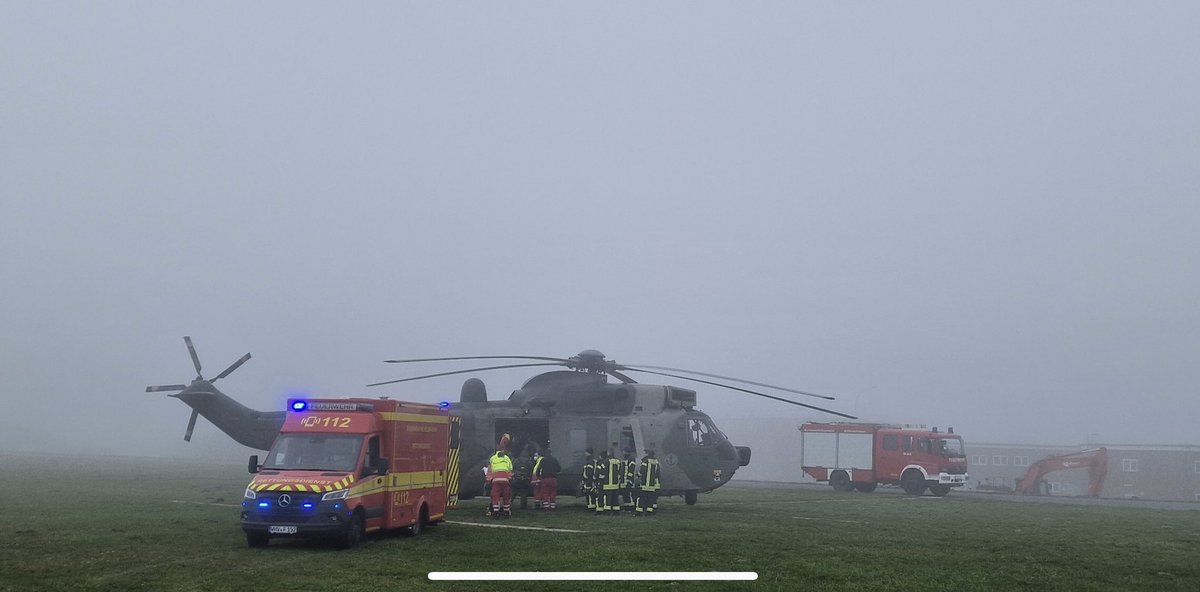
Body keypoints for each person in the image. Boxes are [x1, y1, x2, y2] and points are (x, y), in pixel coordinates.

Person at [487, 447, 514, 518]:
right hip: (505, 479)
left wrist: (488, 480)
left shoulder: (492, 458)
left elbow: (489, 471)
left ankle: (495, 512)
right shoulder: (507, 458)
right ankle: (506, 512)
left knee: (495, 496)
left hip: (496, 479)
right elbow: (510, 469)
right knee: (506, 495)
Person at [534, 447, 562, 511]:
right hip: (553, 479)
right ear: (551, 453)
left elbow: (538, 470)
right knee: (553, 492)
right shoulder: (554, 459)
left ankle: (546, 507)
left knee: (545, 493)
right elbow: (559, 468)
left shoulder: (543, 460)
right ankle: (552, 506)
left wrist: (538, 476)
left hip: (545, 479)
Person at [637, 449, 661, 516]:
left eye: (645, 453)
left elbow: (642, 471)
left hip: (645, 484)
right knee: (651, 498)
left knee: (642, 498)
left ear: (647, 453)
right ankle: (649, 512)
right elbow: (657, 473)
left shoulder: (645, 460)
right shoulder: (656, 461)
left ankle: (639, 512)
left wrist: (638, 475)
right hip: (652, 484)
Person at [599, 450, 623, 514]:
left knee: (607, 499)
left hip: (607, 484)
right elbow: (620, 472)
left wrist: (600, 482)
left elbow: (602, 474)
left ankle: (607, 511)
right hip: (615, 484)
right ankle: (616, 511)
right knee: (615, 499)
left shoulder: (604, 462)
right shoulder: (618, 461)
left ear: (608, 453)